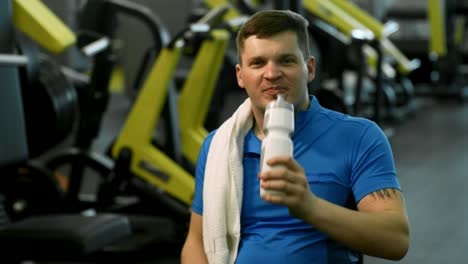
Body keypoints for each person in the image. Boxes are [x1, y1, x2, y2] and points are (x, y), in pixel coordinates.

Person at [181, 9, 409, 264]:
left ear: (309, 68)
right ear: (240, 75)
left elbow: (395, 240)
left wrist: (309, 206)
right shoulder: (218, 146)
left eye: (286, 60)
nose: (272, 73)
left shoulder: (358, 136)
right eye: (257, 63)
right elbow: (197, 241)